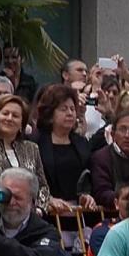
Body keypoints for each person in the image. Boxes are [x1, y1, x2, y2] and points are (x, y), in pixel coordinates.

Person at [33, 84, 94, 212]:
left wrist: (87, 196)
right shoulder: (35, 143)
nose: (70, 113)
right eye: (63, 109)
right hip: (48, 211)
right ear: (49, 114)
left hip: (78, 212)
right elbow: (30, 180)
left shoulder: (81, 143)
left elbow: (87, 178)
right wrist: (47, 199)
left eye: (72, 109)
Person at [0, 95, 51, 213]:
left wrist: (39, 209)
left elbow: (43, 186)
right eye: (5, 113)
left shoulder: (32, 148)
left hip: (29, 216)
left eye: (15, 116)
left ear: (22, 124)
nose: (9, 118)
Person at [91, 109, 129, 207]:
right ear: (113, 134)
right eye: (122, 129)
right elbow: (101, 193)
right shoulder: (101, 158)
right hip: (112, 216)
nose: (127, 135)